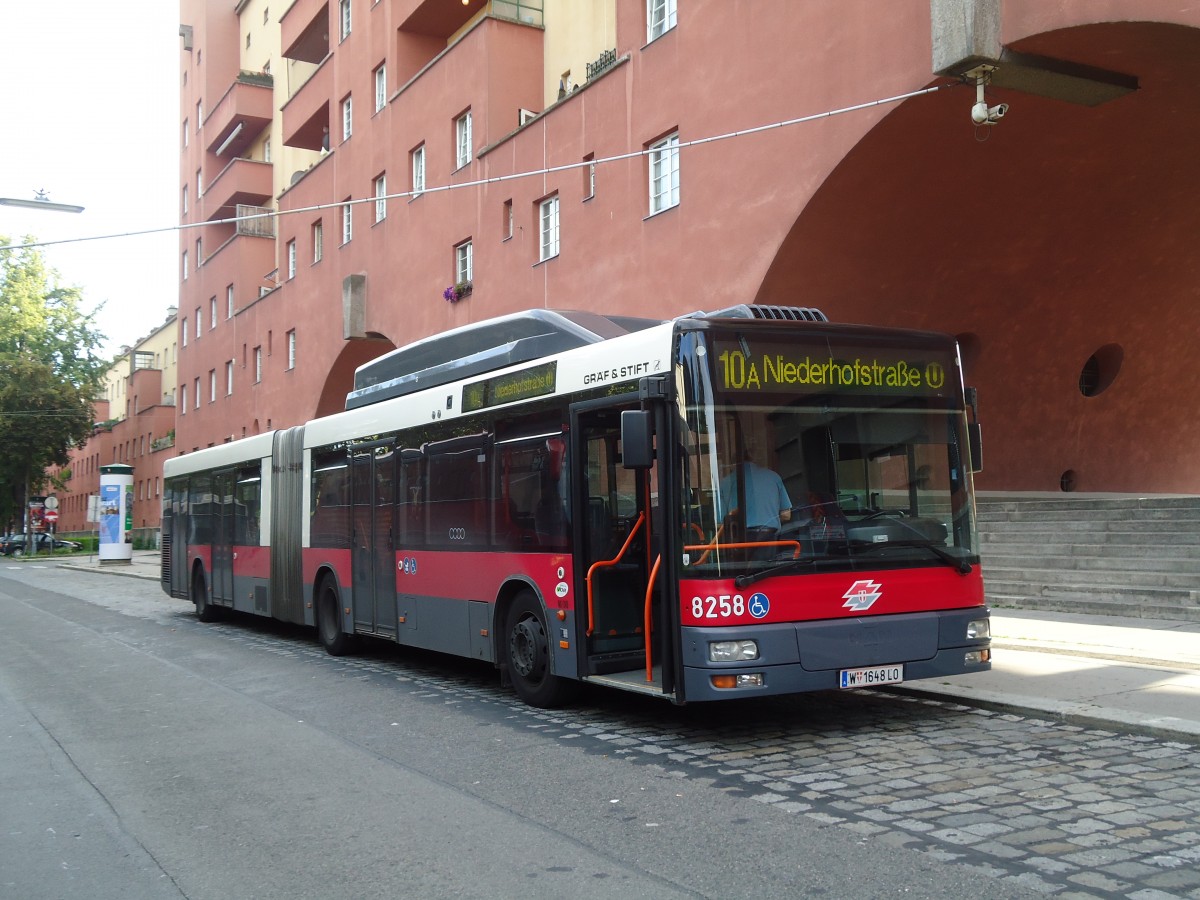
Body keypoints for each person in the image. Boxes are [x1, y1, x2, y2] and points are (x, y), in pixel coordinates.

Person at [719, 452, 793, 548]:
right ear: (753, 461)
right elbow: (786, 515)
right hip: (770, 536)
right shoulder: (774, 477)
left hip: (740, 538)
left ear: (732, 465)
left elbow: (720, 522)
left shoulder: (726, 482)